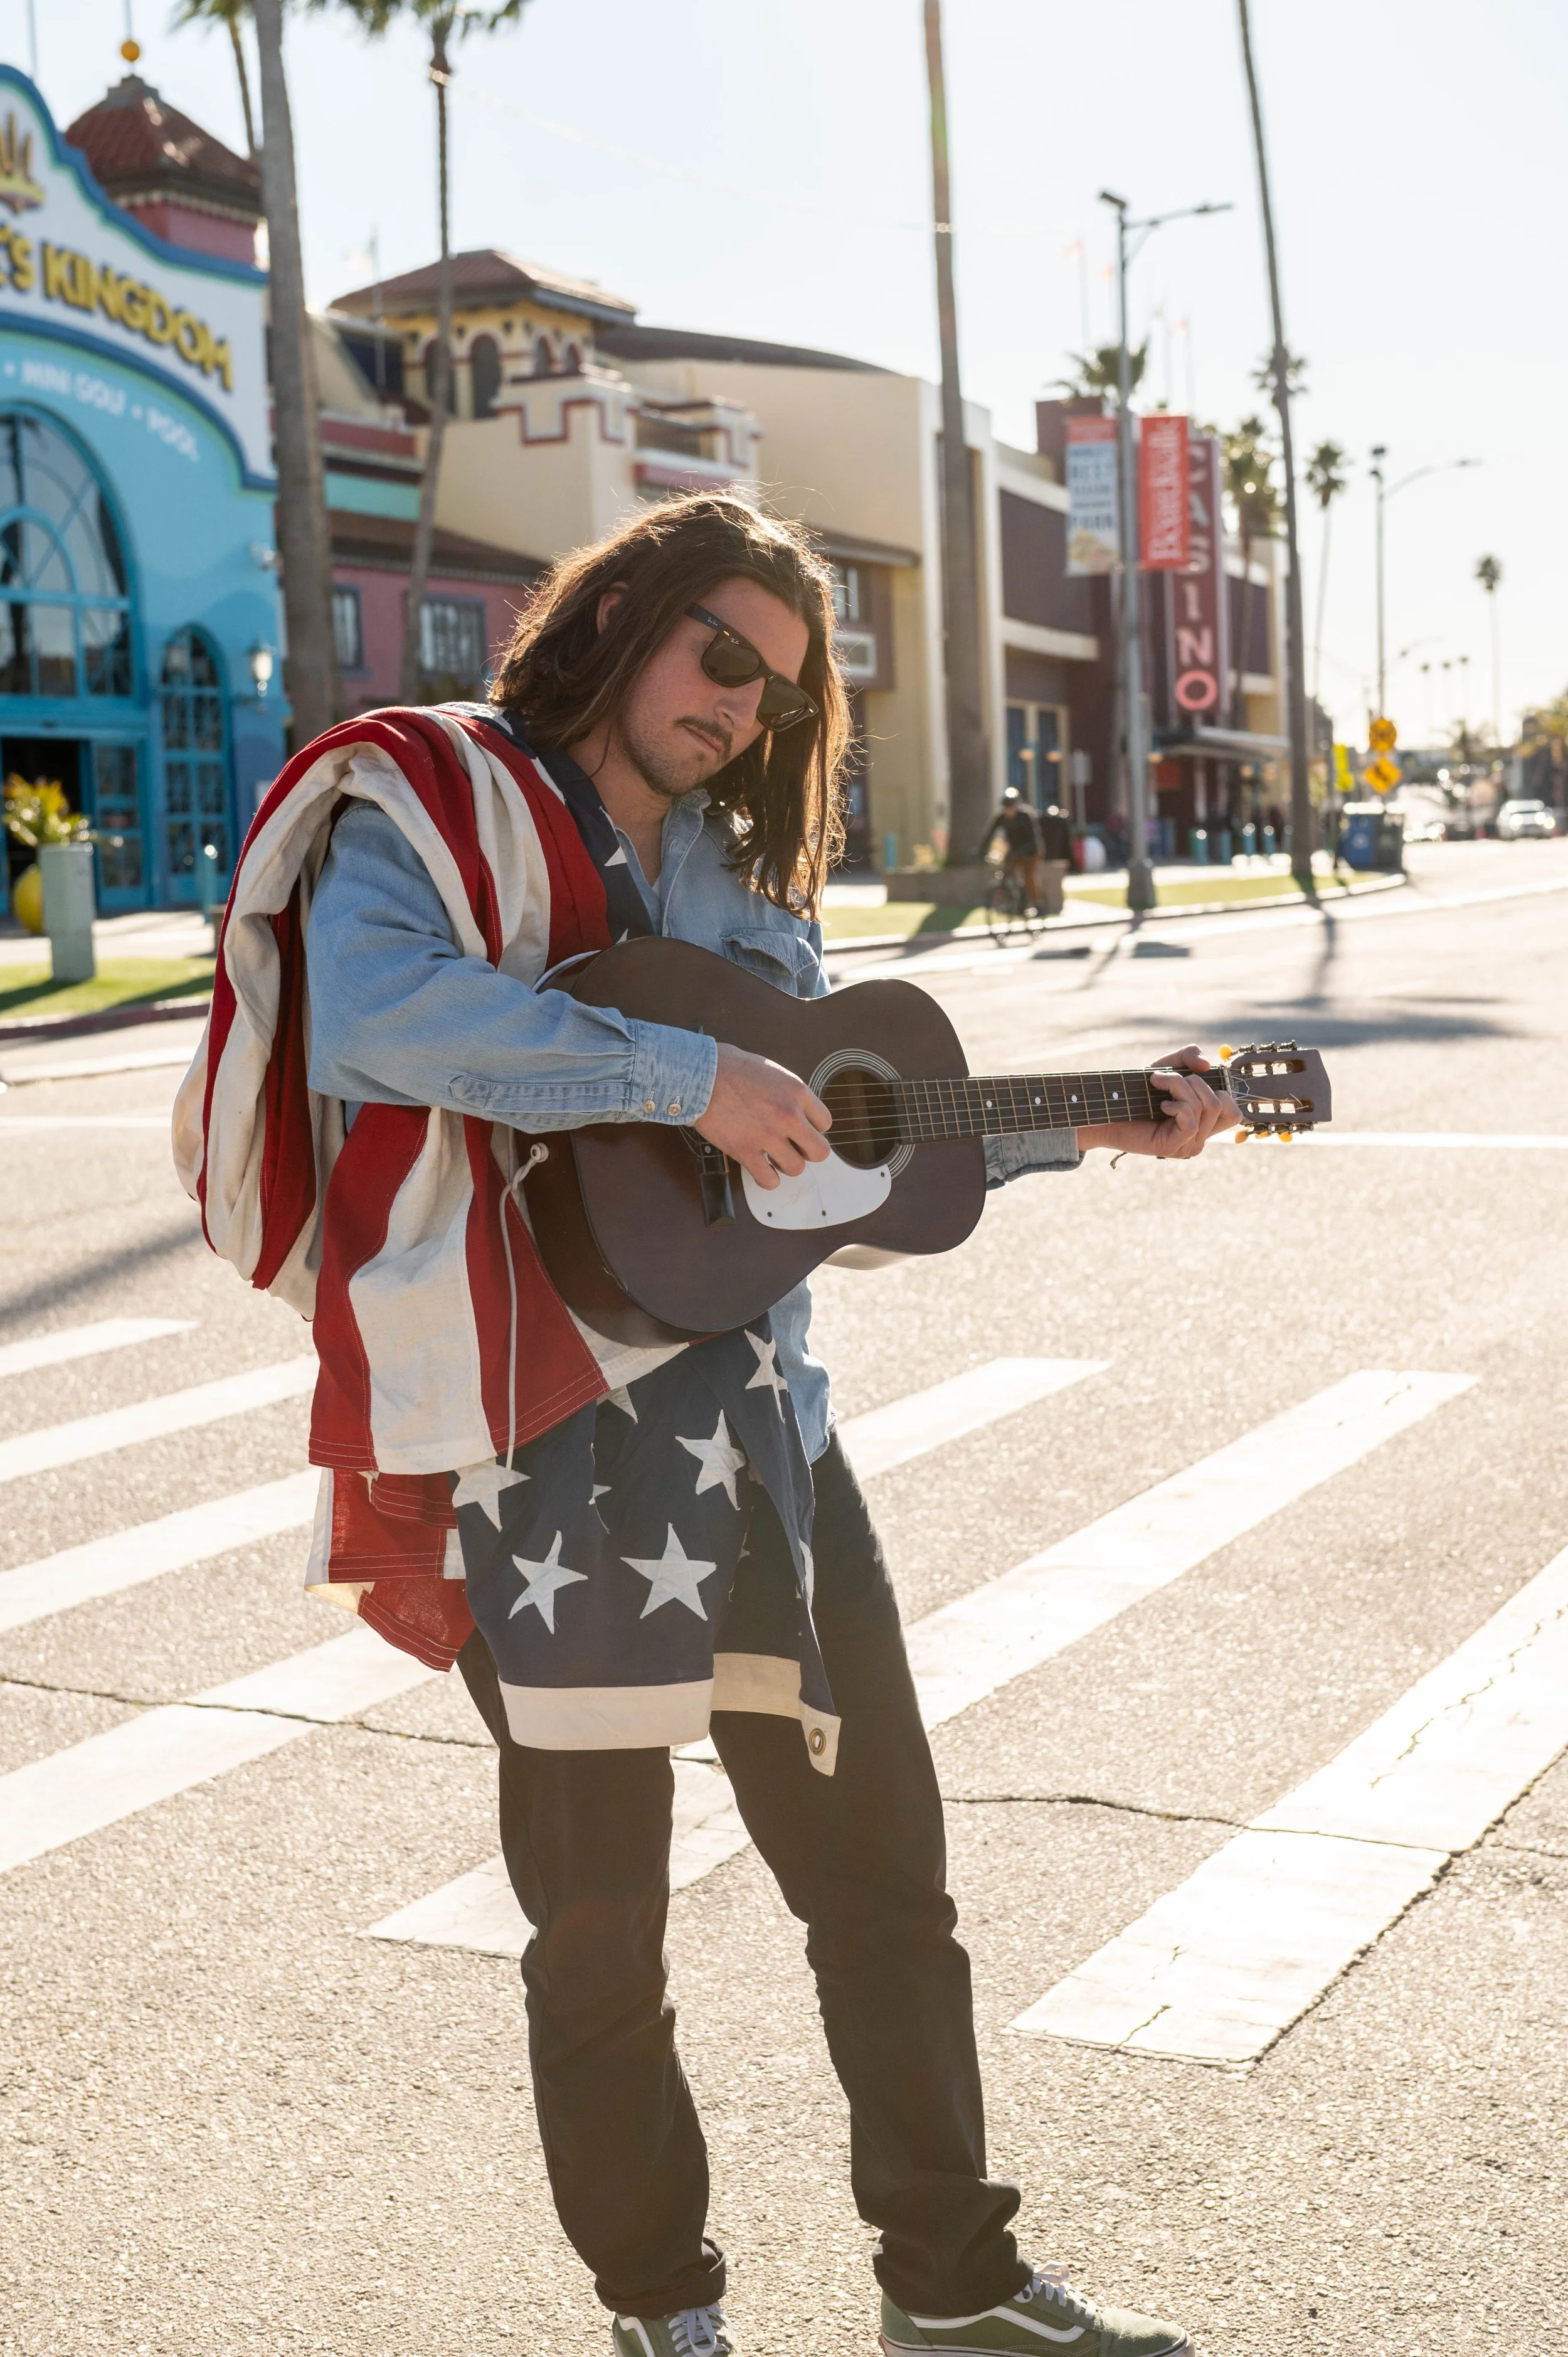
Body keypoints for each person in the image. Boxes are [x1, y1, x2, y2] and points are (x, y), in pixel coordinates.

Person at [176, 492, 1232, 2357]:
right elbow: (377, 1014)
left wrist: (1088, 1122)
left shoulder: (748, 897)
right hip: (540, 1453)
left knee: (884, 1881)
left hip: (760, 1441)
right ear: (629, 618)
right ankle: (662, 2316)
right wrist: (688, 1072)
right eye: (720, 652)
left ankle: (952, 2283)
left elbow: (836, 1162)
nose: (742, 704)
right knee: (600, 1933)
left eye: (777, 689)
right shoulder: (440, 797)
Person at [980, 783, 1045, 910]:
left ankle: (1038, 904)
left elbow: (1034, 838)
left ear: (1017, 805)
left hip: (1032, 850)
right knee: (1005, 873)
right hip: (1015, 850)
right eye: (1006, 807)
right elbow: (990, 834)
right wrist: (981, 850)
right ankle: (1007, 902)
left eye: (1011, 806)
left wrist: (1024, 850)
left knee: (1028, 876)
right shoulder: (1001, 817)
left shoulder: (1026, 816)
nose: (1009, 810)